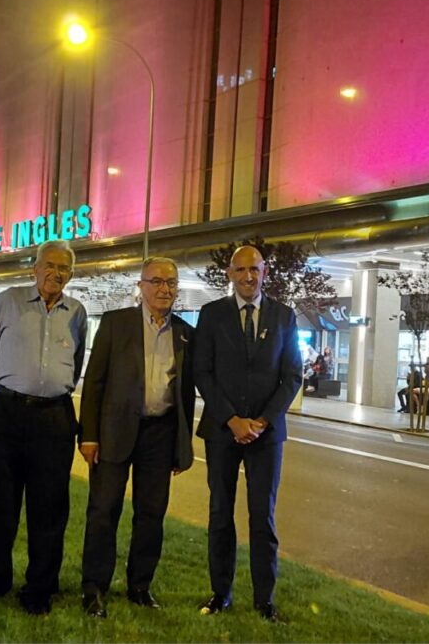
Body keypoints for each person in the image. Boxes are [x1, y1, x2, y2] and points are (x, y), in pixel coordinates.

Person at [0, 240, 87, 616]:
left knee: (49, 510)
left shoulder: (77, 312)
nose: (56, 274)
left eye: (64, 269)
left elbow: (77, 360)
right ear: (34, 268)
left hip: (54, 419)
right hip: (7, 414)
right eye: (50, 265)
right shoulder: (8, 300)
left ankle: (39, 589)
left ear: (70, 274)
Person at [78, 257, 196, 619]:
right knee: (103, 511)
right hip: (114, 431)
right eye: (157, 282)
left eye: (171, 283)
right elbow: (94, 383)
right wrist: (89, 435)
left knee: (151, 515)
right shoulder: (116, 324)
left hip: (159, 435)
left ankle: (140, 586)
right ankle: (94, 589)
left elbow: (186, 394)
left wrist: (181, 445)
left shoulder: (185, 332)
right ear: (141, 286)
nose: (165, 289)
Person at [193, 245, 302, 623]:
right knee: (221, 513)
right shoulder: (211, 315)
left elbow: (292, 376)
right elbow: (202, 372)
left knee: (263, 518)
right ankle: (220, 594)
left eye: (254, 269)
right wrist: (232, 419)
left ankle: (264, 600)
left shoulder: (284, 317)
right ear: (230, 273)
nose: (247, 277)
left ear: (265, 271)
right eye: (240, 270)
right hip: (222, 432)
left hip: (267, 435)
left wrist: (263, 421)